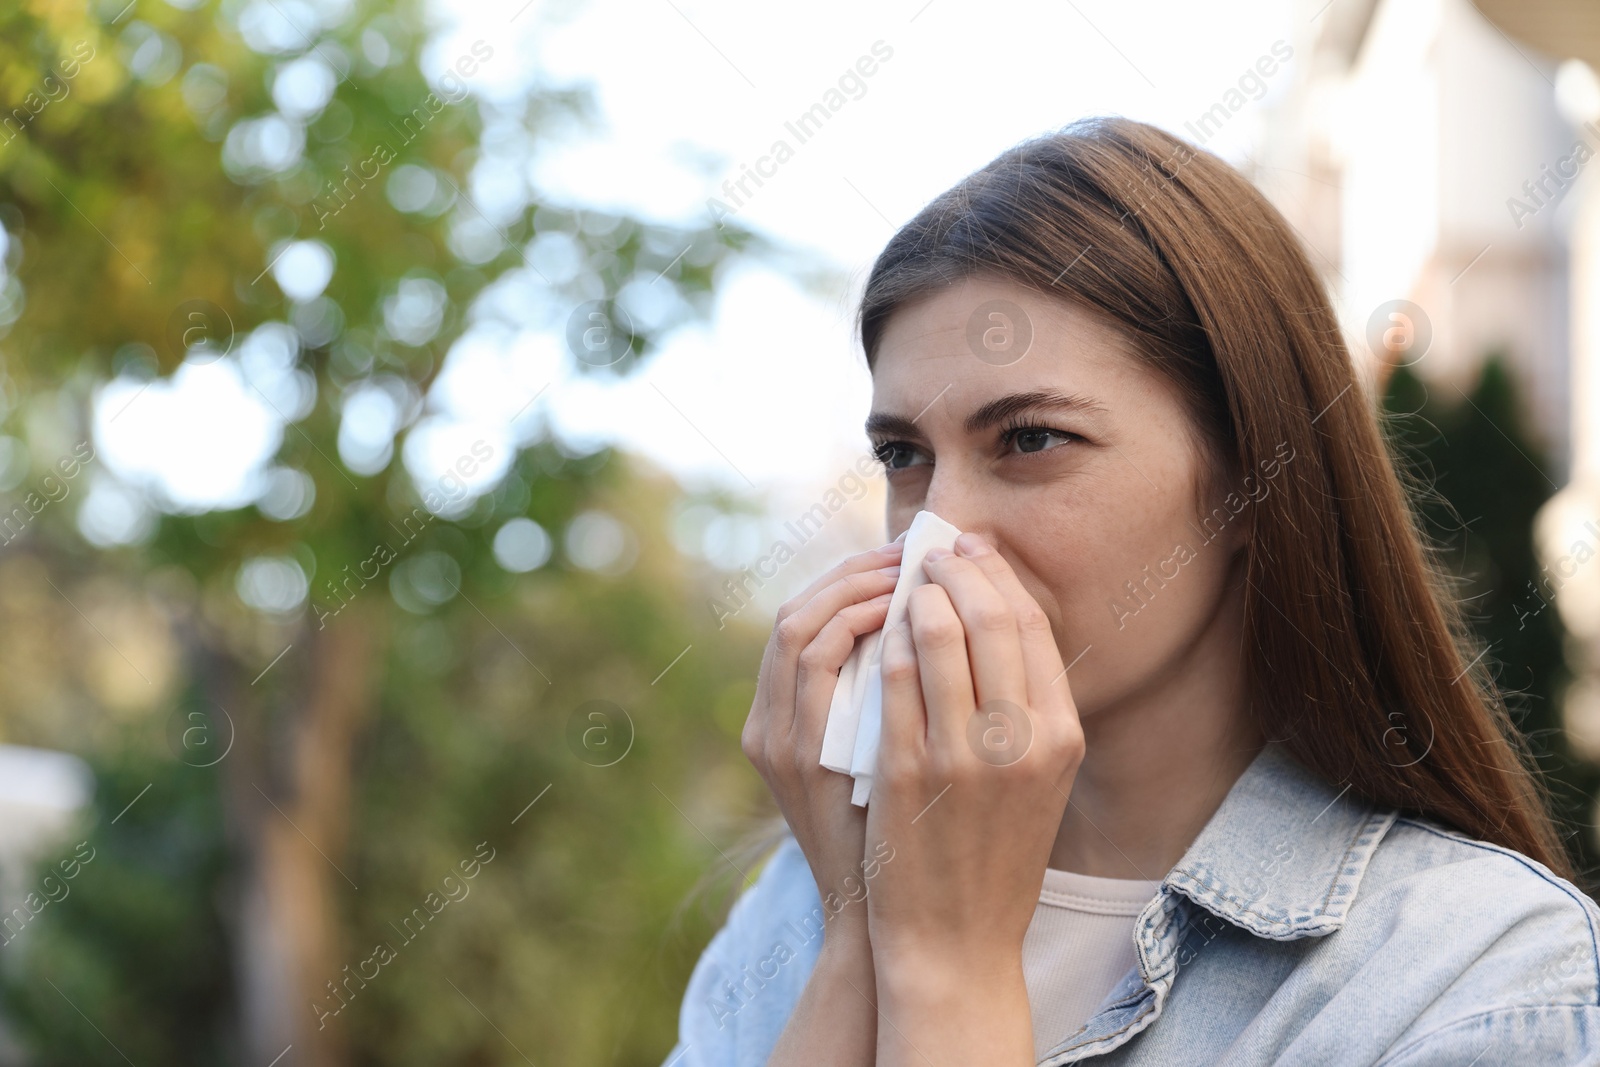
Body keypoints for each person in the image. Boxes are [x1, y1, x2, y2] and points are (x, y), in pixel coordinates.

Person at [663, 117, 1600, 1066]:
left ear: (1250, 473)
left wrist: (949, 970)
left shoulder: (1470, 976)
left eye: (1029, 438)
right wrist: (857, 935)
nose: (936, 540)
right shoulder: (800, 897)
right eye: (904, 455)